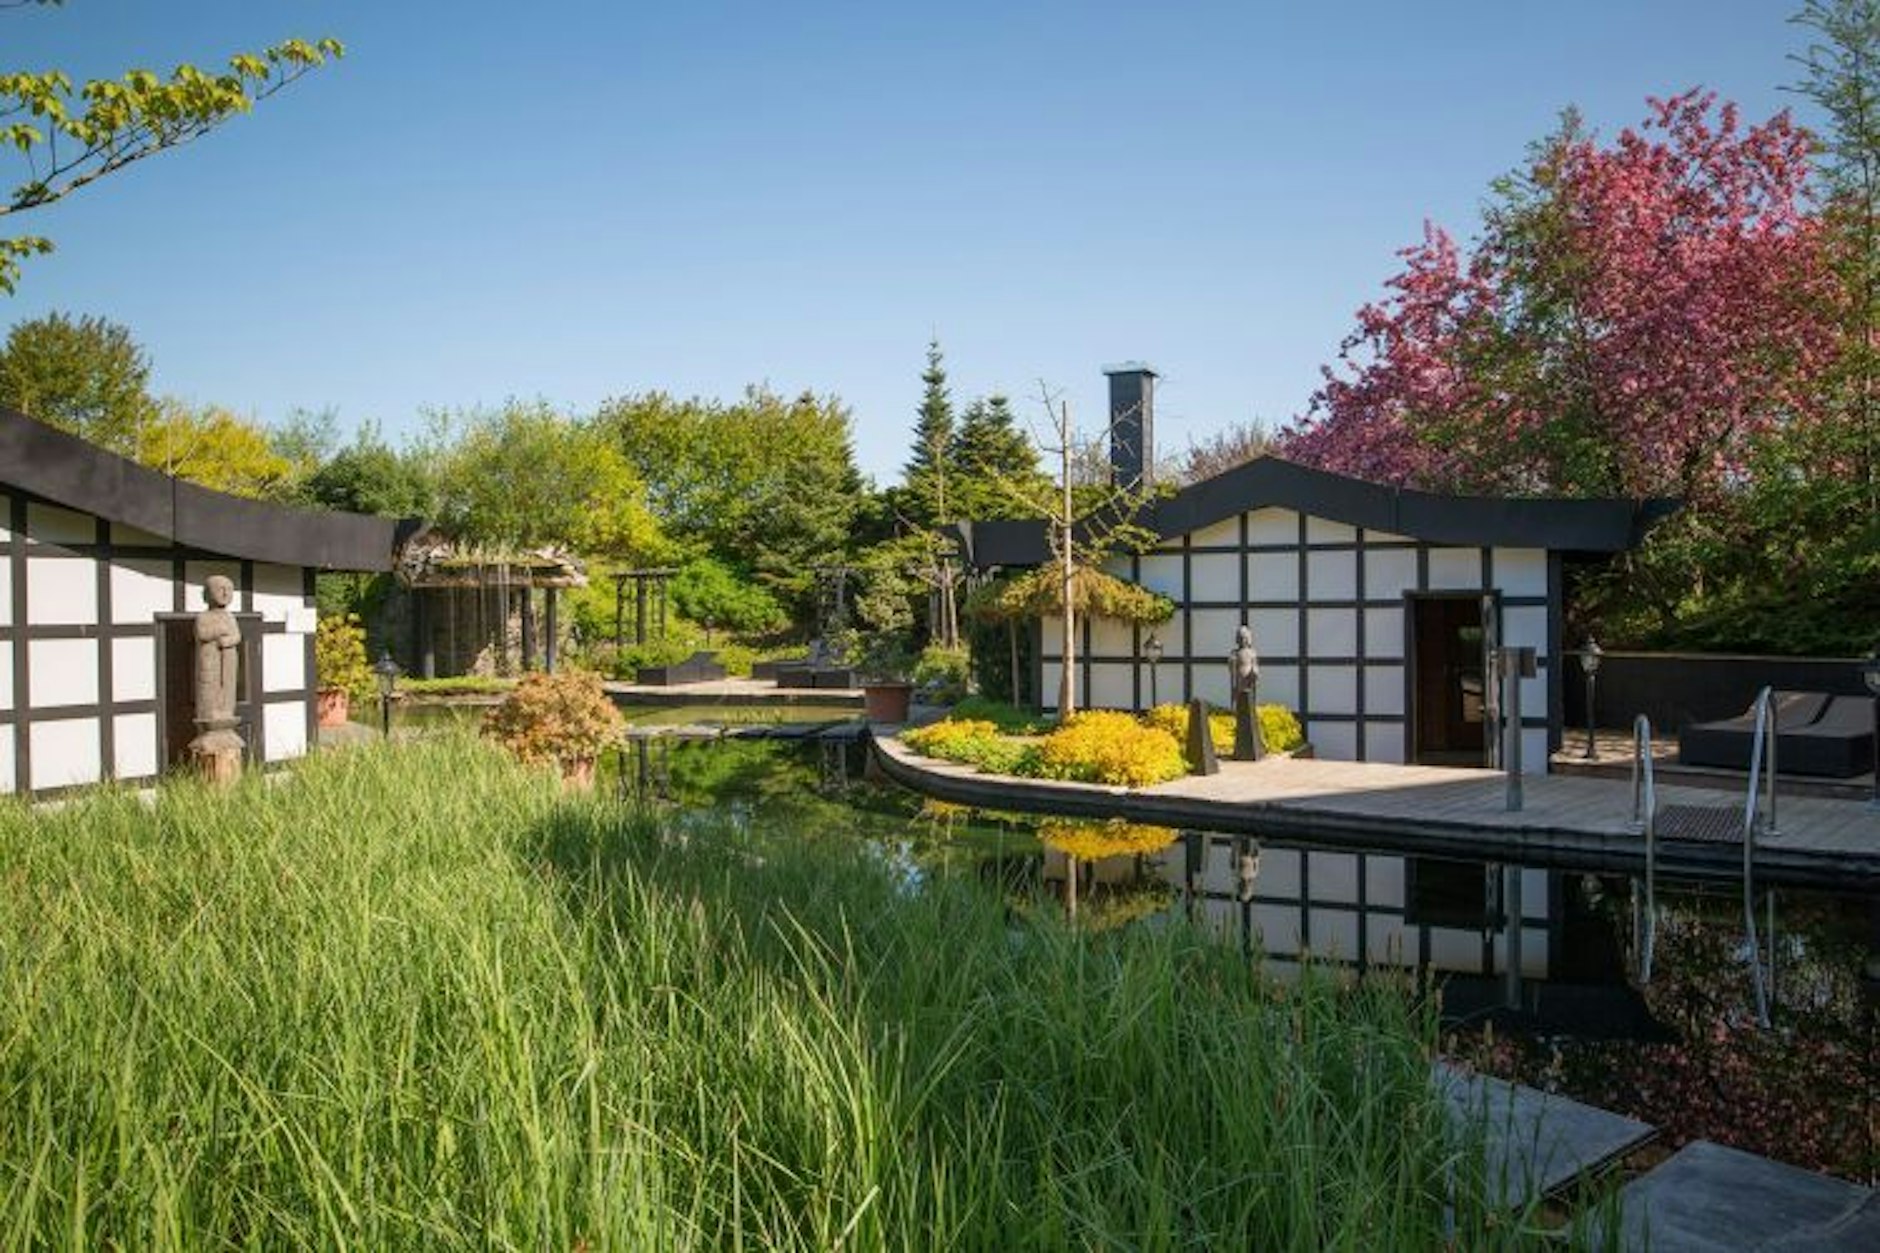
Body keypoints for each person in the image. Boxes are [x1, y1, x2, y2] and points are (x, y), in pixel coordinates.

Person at [194, 575, 242, 725]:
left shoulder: (230, 617)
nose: (225, 593)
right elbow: (202, 634)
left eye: (229, 590)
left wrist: (227, 641)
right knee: (209, 684)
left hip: (228, 658)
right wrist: (219, 630)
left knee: (228, 685)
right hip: (210, 658)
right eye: (220, 589)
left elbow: (237, 636)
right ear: (208, 593)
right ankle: (210, 711)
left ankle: (227, 710)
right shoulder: (203, 617)